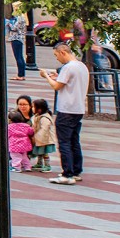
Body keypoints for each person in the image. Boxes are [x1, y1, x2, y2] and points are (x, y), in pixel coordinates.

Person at [43, 41, 88, 185]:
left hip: (66, 108)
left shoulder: (68, 67)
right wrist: (58, 75)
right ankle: (76, 171)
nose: (57, 58)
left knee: (64, 142)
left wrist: (46, 76)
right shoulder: (81, 66)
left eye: (57, 55)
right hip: (78, 108)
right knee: (74, 140)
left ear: (63, 52)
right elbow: (68, 82)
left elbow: (56, 86)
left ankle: (67, 173)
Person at [29, 97, 56, 172]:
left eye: (33, 107)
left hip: (45, 139)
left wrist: (37, 136)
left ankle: (47, 165)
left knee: (44, 153)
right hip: (40, 138)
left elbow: (44, 129)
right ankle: (39, 163)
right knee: (39, 152)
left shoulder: (44, 118)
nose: (32, 108)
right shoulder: (37, 116)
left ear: (39, 109)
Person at [5, 5, 27, 79]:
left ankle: (20, 75)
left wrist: (8, 23)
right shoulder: (22, 17)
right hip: (19, 38)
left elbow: (14, 27)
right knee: (20, 56)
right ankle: (21, 74)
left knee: (18, 57)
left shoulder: (19, 18)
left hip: (16, 38)